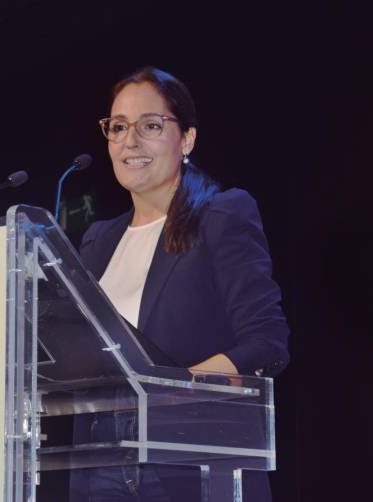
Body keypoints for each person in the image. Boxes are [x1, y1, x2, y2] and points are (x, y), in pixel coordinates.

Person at [71, 67, 290, 502]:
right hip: (102, 471)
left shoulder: (222, 215)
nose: (130, 141)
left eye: (150, 125)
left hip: (192, 468)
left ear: (186, 139)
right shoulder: (97, 240)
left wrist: (172, 395)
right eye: (118, 127)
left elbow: (267, 342)